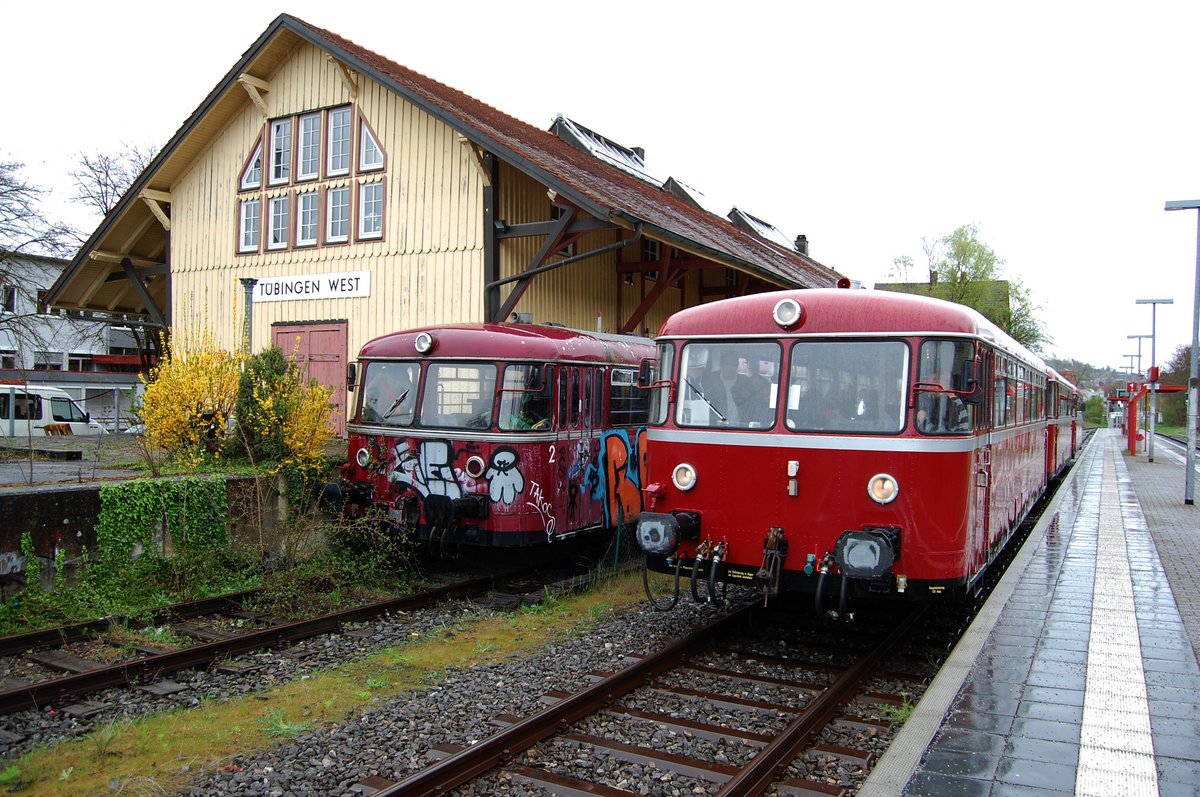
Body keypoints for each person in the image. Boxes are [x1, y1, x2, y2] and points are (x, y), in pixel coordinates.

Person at [700, 350, 764, 427]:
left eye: (733, 365)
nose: (730, 367)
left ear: (737, 366)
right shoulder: (711, 380)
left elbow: (753, 404)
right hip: (716, 425)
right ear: (721, 365)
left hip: (742, 426)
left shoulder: (745, 382)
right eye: (727, 364)